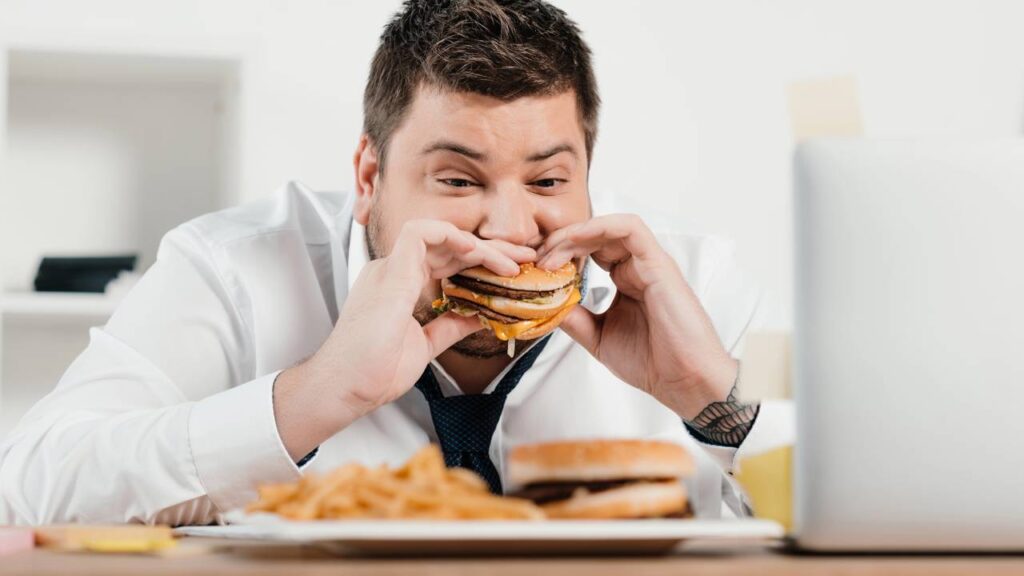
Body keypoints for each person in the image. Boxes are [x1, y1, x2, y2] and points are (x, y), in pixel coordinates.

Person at [0, 0, 776, 525]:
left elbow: (855, 528)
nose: (510, 229)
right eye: (458, 180)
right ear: (369, 179)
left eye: (547, 181)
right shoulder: (231, 270)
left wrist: (717, 408)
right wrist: (311, 397)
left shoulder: (688, 280)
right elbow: (30, 489)